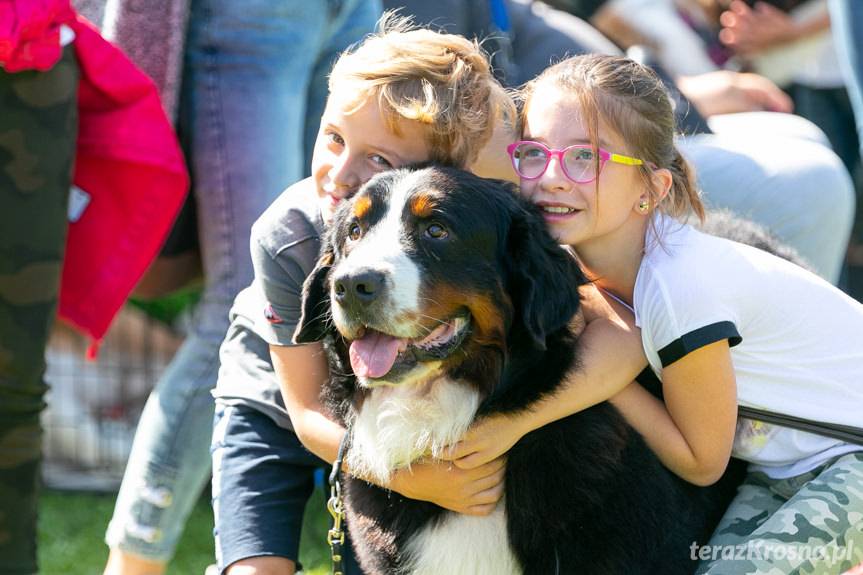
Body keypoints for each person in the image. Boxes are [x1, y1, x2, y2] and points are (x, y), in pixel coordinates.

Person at [444, 54, 863, 574]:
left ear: (652, 188)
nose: (550, 177)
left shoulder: (678, 288)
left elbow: (702, 462)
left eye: (584, 159)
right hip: (787, 464)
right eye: (534, 153)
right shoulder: (580, 261)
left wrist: (601, 377)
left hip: (850, 455)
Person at [101, 2, 383, 574]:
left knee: (335, 264)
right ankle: (135, 559)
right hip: (254, 18)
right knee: (249, 298)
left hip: (354, 11)